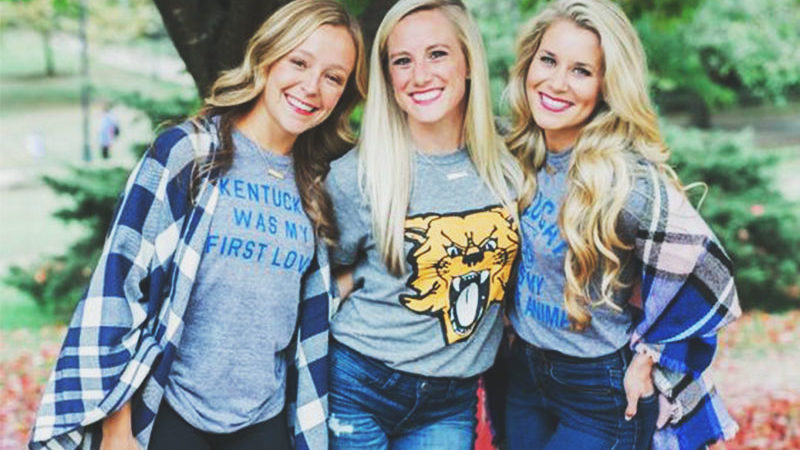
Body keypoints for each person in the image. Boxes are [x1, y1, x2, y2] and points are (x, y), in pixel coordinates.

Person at [28, 1, 366, 449]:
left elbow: (297, 298)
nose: (312, 86)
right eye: (299, 63)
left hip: (263, 418)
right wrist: (116, 427)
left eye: (333, 77)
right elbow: (119, 290)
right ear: (267, 57)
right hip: (172, 409)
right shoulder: (189, 154)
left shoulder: (318, 183)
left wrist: (361, 278)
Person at [503, 0, 741, 449]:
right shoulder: (519, 155)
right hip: (524, 379)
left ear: (607, 86)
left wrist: (649, 358)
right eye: (548, 60)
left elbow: (707, 270)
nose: (556, 82)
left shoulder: (623, 181)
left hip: (596, 391)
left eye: (581, 71)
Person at [324, 1, 522, 448]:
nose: (419, 75)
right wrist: (354, 277)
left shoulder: (512, 159)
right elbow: (322, 272)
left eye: (437, 54)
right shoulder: (356, 176)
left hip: (450, 400)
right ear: (387, 77)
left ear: (468, 62)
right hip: (360, 381)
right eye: (402, 61)